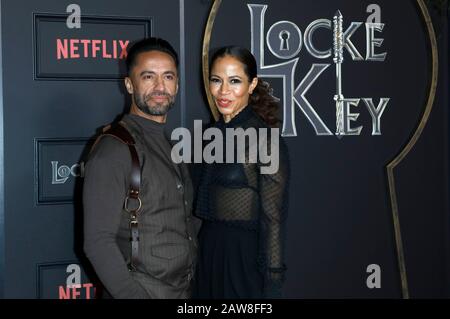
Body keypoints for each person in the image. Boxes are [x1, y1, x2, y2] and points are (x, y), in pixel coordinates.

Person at [83, 37, 198, 299]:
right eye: (148, 77)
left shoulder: (172, 145)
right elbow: (98, 243)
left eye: (168, 77)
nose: (160, 86)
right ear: (129, 84)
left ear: (177, 84)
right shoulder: (114, 149)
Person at [193, 46, 290, 298]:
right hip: (206, 254)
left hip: (242, 260)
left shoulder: (264, 140)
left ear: (252, 84)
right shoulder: (205, 136)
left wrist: (273, 282)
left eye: (234, 81)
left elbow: (273, 219)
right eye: (217, 80)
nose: (223, 91)